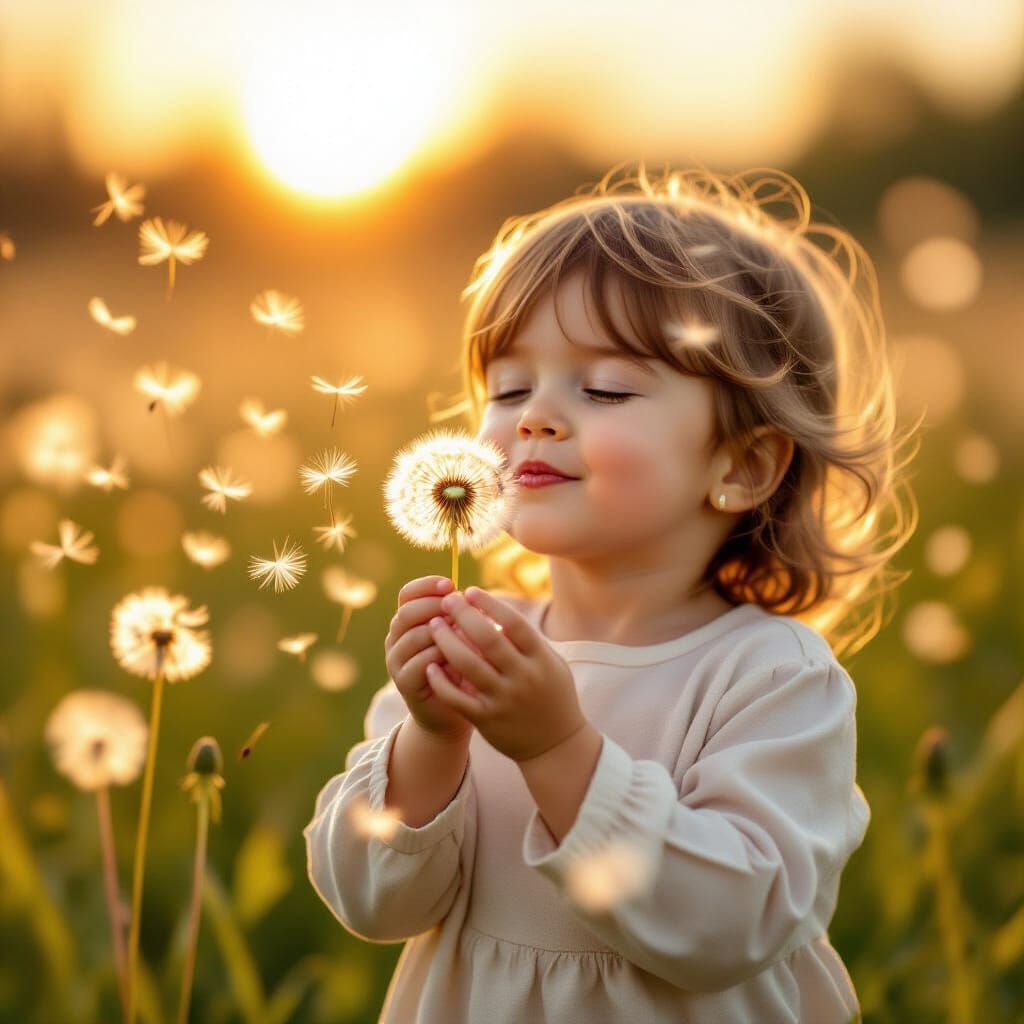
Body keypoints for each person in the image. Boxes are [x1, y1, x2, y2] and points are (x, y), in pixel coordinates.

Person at [303, 162, 921, 1023]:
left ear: (741, 465)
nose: (535, 417)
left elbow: (730, 927)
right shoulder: (472, 645)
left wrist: (558, 750)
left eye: (604, 389)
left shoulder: (771, 677)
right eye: (509, 387)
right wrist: (431, 740)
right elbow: (372, 905)